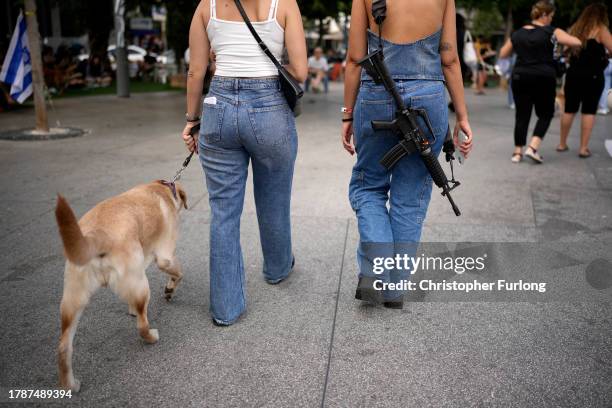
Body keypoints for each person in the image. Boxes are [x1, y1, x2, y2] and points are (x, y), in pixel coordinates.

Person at [181, 0, 307, 326]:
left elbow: (195, 71)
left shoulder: (205, 6)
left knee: (223, 212)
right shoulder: (285, 4)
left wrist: (192, 119)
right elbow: (301, 72)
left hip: (218, 106)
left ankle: (226, 309)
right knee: (274, 201)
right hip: (270, 110)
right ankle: (278, 269)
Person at [342, 0, 473, 307]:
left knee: (369, 186)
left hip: (376, 93)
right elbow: (450, 59)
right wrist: (463, 117)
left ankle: (375, 271)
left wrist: (347, 114)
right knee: (410, 195)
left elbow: (354, 58)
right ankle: (394, 289)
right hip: (428, 97)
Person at [499, 1, 581, 164]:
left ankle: (517, 152)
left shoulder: (518, 33)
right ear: (544, 15)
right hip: (544, 76)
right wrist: (560, 49)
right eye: (551, 16)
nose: (551, 19)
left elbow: (503, 53)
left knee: (522, 114)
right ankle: (532, 147)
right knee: (546, 113)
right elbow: (576, 42)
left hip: (520, 76)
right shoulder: (552, 31)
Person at [558, 3, 612, 158]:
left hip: (574, 74)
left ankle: (562, 143)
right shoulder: (601, 29)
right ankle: (583, 148)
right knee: (589, 110)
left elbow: (566, 50)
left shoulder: (576, 28)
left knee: (569, 109)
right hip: (593, 76)